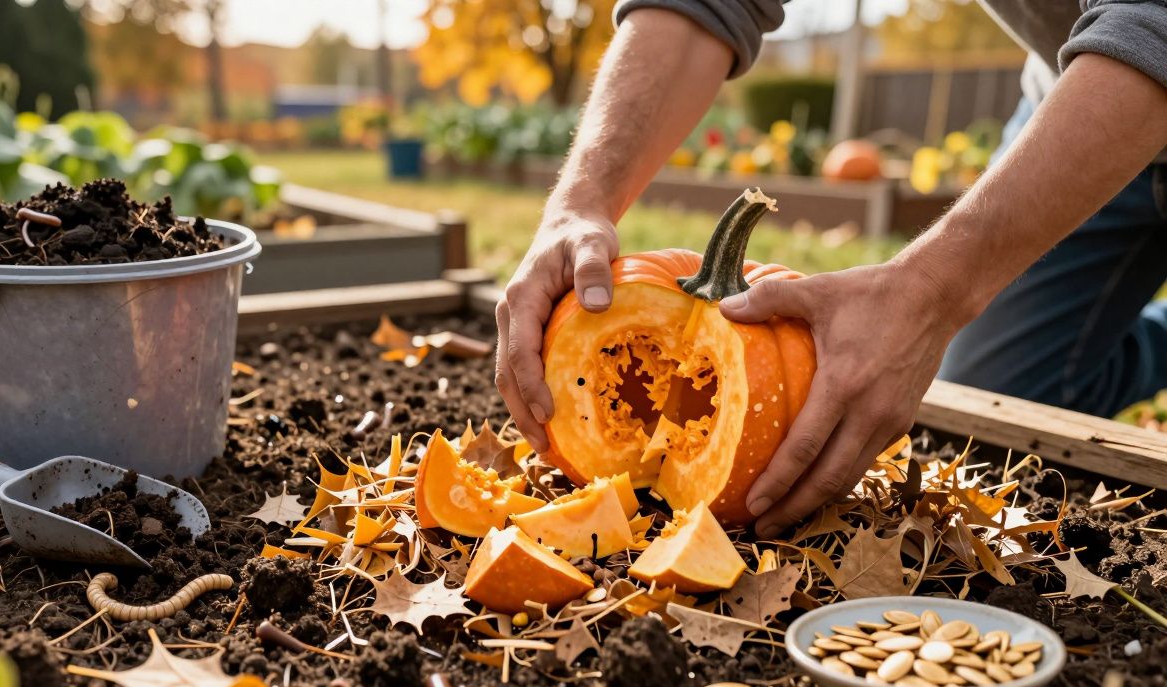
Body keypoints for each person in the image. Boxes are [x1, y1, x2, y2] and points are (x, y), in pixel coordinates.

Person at [494, 1, 1167, 539]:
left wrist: (930, 291)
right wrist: (580, 199)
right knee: (996, 384)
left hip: (1134, 70)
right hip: (1079, 93)